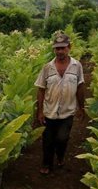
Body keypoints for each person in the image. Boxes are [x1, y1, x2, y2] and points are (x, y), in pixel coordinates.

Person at [34, 32, 86, 175]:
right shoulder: (47, 68)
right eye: (57, 48)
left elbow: (80, 87)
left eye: (63, 48)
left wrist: (82, 107)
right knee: (47, 141)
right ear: (54, 49)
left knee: (62, 138)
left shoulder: (77, 66)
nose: (60, 51)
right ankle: (46, 164)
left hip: (67, 112)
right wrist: (39, 111)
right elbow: (41, 90)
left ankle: (61, 155)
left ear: (69, 47)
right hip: (49, 111)